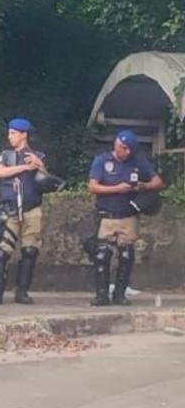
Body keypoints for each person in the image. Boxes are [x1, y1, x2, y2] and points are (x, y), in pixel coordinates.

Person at [87, 130, 164, 306]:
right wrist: (116, 188)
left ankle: (120, 294)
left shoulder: (138, 160)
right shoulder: (102, 160)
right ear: (117, 145)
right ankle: (101, 295)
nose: (127, 152)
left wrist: (143, 186)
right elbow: (93, 187)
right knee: (102, 255)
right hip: (107, 214)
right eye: (124, 148)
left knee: (127, 256)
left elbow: (158, 182)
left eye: (129, 149)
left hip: (129, 215)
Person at [0, 119, 48, 307]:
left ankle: (22, 292)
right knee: (1, 252)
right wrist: (24, 167)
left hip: (32, 209)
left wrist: (39, 165)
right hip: (10, 209)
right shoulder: (5, 155)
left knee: (30, 251)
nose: (10, 136)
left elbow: (46, 181)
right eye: (10, 132)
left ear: (24, 134)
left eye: (13, 133)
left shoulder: (38, 155)